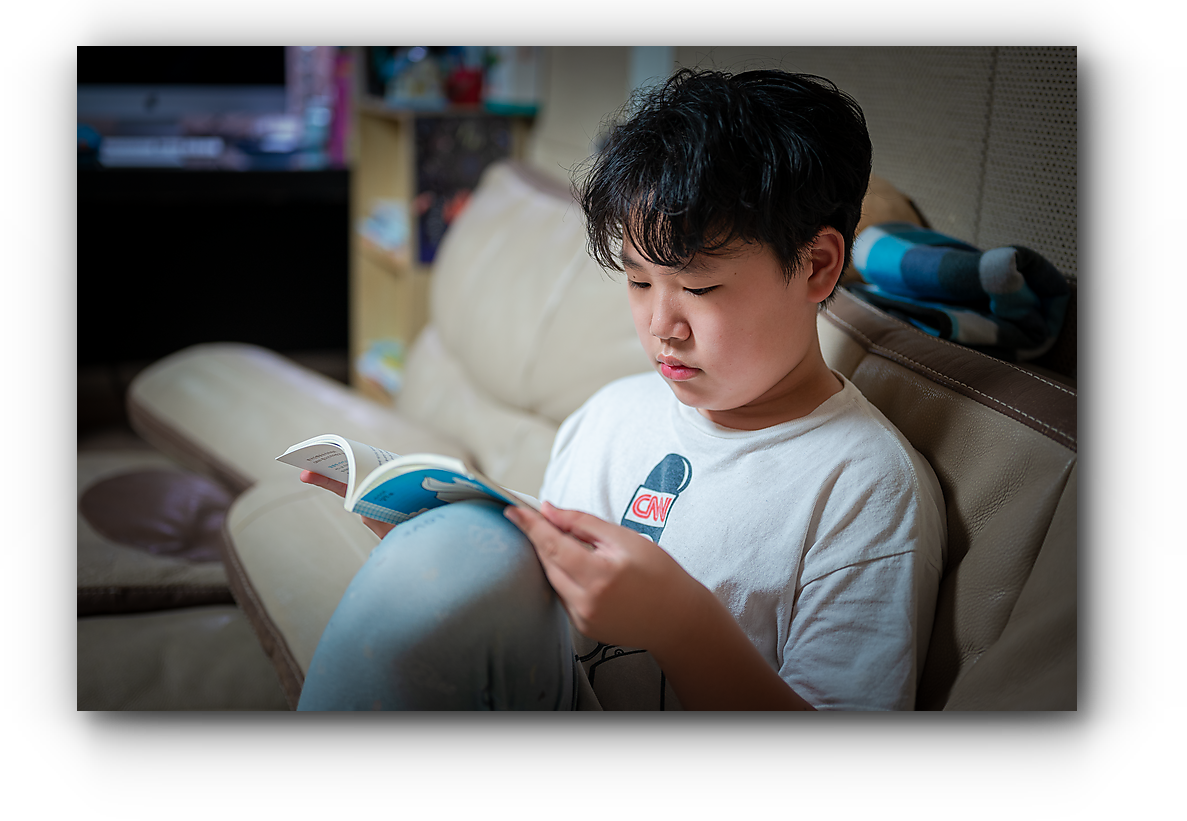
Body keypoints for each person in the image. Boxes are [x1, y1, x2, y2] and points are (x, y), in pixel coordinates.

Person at [298, 68, 946, 711]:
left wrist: (679, 623)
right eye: (639, 282)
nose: (662, 325)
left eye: (698, 287)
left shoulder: (865, 487)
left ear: (816, 265)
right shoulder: (609, 415)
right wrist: (445, 558)